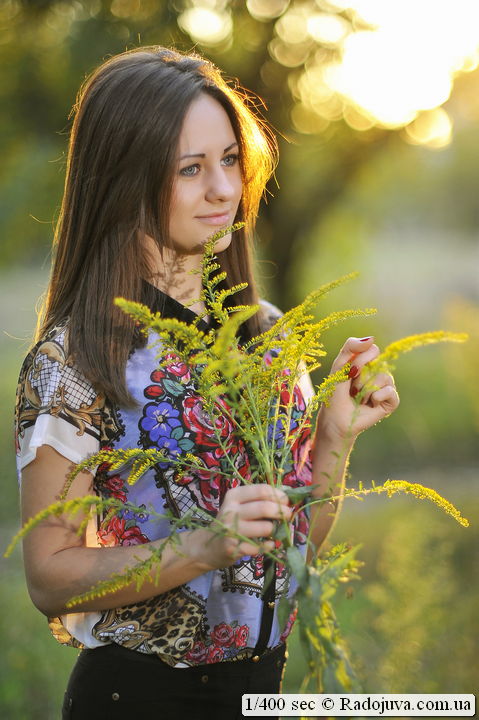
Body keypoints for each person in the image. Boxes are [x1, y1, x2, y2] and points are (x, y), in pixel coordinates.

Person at [15, 46, 399, 719]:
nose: (224, 190)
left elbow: (291, 547)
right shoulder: (75, 357)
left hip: (258, 695)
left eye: (228, 159)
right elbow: (49, 576)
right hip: (137, 699)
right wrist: (201, 548)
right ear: (124, 181)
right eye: (189, 169)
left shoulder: (269, 336)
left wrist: (334, 435)